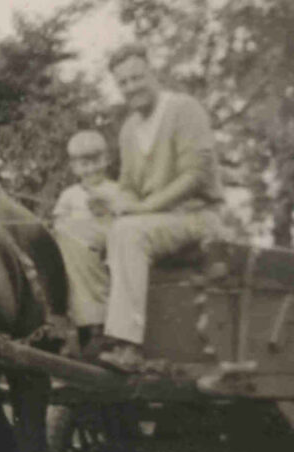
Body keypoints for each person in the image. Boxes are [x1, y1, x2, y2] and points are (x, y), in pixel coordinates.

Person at [91, 44, 224, 372]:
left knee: (128, 232)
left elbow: (197, 174)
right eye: (123, 83)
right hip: (155, 223)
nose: (131, 87)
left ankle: (128, 345)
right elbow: (127, 187)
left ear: (154, 73)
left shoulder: (183, 109)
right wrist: (115, 203)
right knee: (88, 235)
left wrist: (145, 207)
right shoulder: (128, 130)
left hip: (197, 217)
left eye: (137, 77)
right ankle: (90, 331)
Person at [51, 130, 127, 348]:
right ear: (74, 167)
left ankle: (100, 326)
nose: (91, 168)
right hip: (80, 251)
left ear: (107, 160)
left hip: (109, 245)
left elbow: (125, 218)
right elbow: (59, 221)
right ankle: (84, 326)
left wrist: (106, 210)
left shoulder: (116, 189)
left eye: (96, 161)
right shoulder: (70, 195)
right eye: (83, 164)